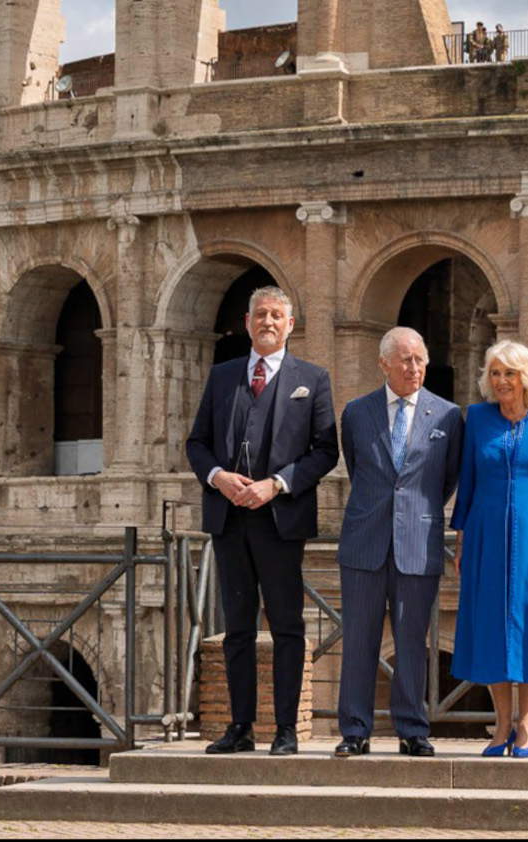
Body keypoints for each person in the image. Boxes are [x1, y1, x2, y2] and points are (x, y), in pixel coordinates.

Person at [186, 285, 338, 756]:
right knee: (237, 629)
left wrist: (277, 483)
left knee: (288, 626)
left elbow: (325, 452)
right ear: (247, 321)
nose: (268, 322)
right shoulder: (222, 376)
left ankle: (287, 730)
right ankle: (240, 727)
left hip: (281, 521)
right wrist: (216, 477)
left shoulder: (312, 378)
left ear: (291, 325)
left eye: (277, 315)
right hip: (229, 520)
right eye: (260, 315)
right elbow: (197, 443)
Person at [334, 326, 463, 758]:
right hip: (364, 542)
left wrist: (414, 512)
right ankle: (354, 731)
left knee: (412, 641)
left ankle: (412, 729)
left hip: (417, 543)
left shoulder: (447, 416)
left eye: (420, 359)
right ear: (384, 364)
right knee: (359, 639)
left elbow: (445, 480)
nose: (415, 368)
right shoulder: (356, 413)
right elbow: (359, 469)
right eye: (406, 360)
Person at [450, 340, 528, 759]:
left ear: (526, 376)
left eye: (510, 372)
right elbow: (467, 481)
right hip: (486, 530)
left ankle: (527, 723)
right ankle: (501, 723)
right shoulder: (478, 418)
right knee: (491, 624)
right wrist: (461, 535)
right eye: (495, 373)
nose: (501, 380)